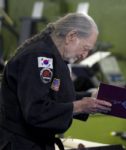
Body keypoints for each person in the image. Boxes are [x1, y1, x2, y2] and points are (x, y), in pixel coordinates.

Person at [0, 13, 112, 150]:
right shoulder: (38, 57)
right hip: (21, 144)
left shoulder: (55, 58)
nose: (84, 55)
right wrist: (81, 106)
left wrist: (89, 98)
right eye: (85, 48)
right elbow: (36, 111)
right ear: (71, 36)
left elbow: (55, 97)